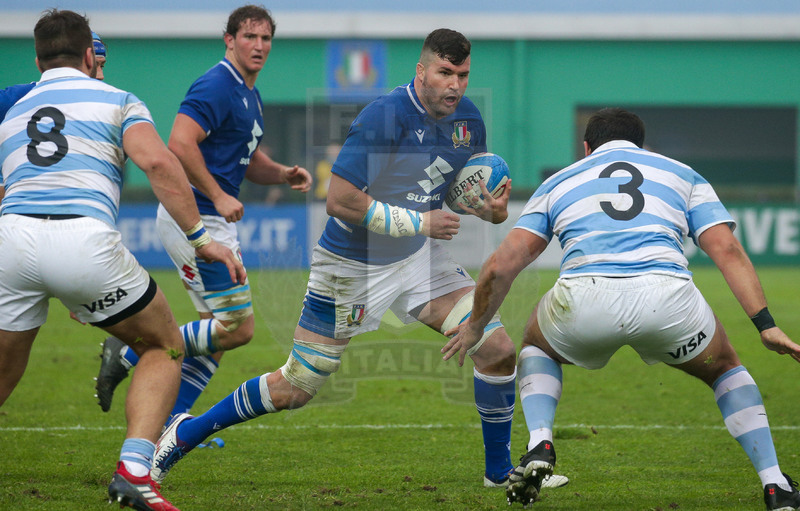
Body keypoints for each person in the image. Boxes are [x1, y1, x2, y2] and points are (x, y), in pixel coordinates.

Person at [148, 27, 568, 492]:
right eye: (445, 73)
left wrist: (489, 210)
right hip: (350, 266)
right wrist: (420, 223)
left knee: (496, 349)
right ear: (422, 70)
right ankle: (186, 431)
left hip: (417, 260)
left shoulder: (467, 121)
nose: (455, 85)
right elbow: (341, 200)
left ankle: (497, 472)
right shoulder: (382, 118)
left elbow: (454, 186)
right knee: (295, 387)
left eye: (463, 75)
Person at [441, 107, 800, 509]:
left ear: (586, 147)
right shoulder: (682, 174)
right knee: (726, 369)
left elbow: (500, 266)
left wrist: (476, 324)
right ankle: (775, 484)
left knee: (536, 347)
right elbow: (727, 250)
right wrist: (765, 325)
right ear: (639, 144)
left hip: (584, 301)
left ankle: (540, 442)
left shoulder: (559, 181)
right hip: (668, 301)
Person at [0, 9, 246, 511]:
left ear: (38, 58)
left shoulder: (12, 101)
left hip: (10, 239)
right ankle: (134, 473)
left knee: (4, 371)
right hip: (83, 241)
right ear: (91, 55)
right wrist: (201, 240)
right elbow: (158, 162)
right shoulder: (118, 100)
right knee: (165, 345)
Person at [94, 5, 312, 424]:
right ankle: (127, 353)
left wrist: (283, 174)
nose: (259, 46)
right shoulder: (218, 84)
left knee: (215, 335)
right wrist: (218, 194)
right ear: (229, 40)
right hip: (198, 220)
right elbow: (179, 141)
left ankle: (170, 423)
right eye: (250, 37)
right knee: (238, 329)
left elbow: (245, 160)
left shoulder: (249, 93)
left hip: (209, 219)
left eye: (266, 38)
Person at [0, 31, 106, 124]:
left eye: (102, 66)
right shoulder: (17, 98)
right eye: (92, 65)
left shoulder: (108, 107)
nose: (100, 76)